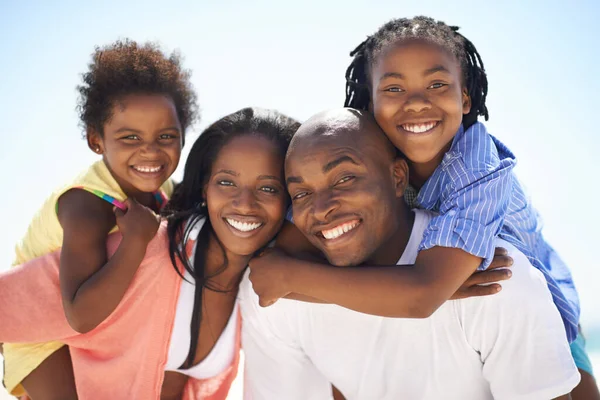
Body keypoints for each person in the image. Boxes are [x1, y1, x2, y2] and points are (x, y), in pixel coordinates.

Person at [249, 16, 598, 397]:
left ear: (465, 98)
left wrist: (292, 279)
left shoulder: (479, 171)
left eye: (437, 84)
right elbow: (283, 262)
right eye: (395, 88)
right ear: (370, 104)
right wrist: (284, 274)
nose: (416, 102)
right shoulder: (366, 156)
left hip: (545, 305)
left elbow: (421, 293)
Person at [0, 107, 298, 399]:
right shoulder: (148, 251)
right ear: (205, 187)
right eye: (226, 182)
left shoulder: (259, 284)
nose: (245, 203)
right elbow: (8, 306)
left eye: (269, 189)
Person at [2, 39, 198, 399]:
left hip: (110, 322)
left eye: (166, 136)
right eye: (130, 137)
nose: (151, 151)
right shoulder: (86, 205)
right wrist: (136, 242)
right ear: (97, 140)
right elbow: (80, 314)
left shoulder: (165, 187)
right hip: (40, 329)